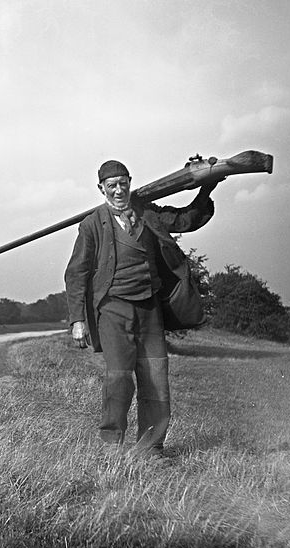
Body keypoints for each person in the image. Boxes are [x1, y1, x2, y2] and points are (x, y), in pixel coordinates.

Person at [65, 160, 218, 456]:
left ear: (130, 182)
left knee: (156, 378)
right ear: (101, 189)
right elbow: (77, 274)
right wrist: (77, 320)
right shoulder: (92, 224)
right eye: (112, 186)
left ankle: (150, 449)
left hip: (149, 308)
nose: (119, 190)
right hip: (112, 309)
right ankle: (111, 447)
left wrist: (207, 184)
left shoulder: (148, 213)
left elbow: (187, 219)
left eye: (124, 183)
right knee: (119, 378)